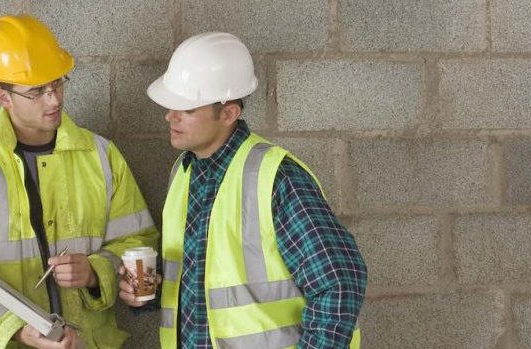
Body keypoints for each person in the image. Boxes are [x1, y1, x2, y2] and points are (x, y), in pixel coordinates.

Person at [0, 15, 158, 349]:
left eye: (58, 83)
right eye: (37, 91)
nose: (54, 99)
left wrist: (94, 273)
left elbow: (137, 241)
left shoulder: (101, 156)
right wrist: (16, 329)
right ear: (3, 97)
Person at [118, 32, 367, 348]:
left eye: (187, 108)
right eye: (171, 105)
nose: (170, 116)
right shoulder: (183, 173)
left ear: (228, 114)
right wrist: (148, 293)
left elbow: (340, 283)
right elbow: (202, 285)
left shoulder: (277, 178)